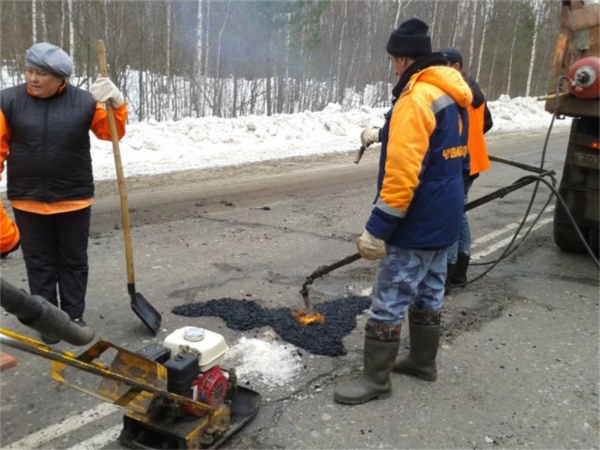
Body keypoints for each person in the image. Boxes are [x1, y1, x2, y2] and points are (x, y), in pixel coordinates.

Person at [334, 18, 472, 405]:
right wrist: (383, 132)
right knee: (429, 290)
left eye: (393, 59)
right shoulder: (450, 93)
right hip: (445, 217)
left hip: (417, 222)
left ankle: (376, 380)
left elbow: (402, 174)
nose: (393, 66)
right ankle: (422, 362)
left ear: (402, 59)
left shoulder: (416, 98)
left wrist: (377, 229)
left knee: (391, 296)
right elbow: (454, 156)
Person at [0, 42, 127, 344]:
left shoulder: (84, 102)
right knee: (38, 262)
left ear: (61, 78)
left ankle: (73, 317)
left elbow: (112, 132)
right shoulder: (8, 101)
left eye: (41, 73)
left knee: (72, 260)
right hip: (28, 199)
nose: (33, 78)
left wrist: (116, 103)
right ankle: (48, 321)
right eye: (30, 70)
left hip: (74, 197)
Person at [440, 47, 494, 287]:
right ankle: (460, 269)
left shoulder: (457, 91)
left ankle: (449, 273)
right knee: (459, 213)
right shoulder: (476, 91)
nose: (439, 69)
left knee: (451, 215)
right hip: (472, 160)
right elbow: (488, 122)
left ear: (457, 67)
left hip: (461, 160)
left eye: (444, 64)